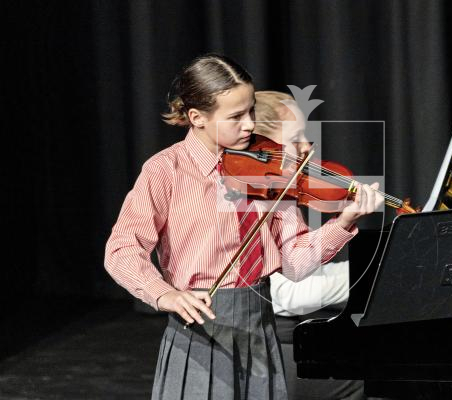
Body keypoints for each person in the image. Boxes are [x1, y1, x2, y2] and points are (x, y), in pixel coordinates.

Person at [104, 54, 384, 400]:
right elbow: (122, 249)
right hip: (201, 325)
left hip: (259, 325)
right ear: (197, 118)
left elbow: (295, 263)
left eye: (251, 111)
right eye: (236, 117)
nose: (250, 125)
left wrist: (344, 222)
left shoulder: (265, 171)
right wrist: (163, 293)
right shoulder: (166, 170)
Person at [253, 90, 365, 400]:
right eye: (296, 137)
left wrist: (343, 225)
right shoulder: (250, 199)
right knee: (359, 381)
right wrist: (368, 279)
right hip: (262, 348)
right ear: (262, 145)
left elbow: (297, 268)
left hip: (288, 336)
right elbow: (287, 295)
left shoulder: (281, 194)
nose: (307, 147)